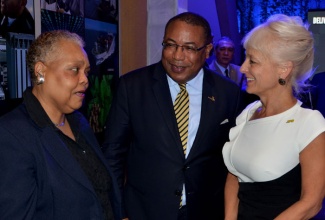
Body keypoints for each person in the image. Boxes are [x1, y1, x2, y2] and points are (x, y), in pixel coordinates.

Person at [102, 12, 242, 220]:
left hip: (205, 211)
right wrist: (119, 211)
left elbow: (233, 160)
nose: (177, 56)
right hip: (144, 212)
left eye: (189, 48)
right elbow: (113, 155)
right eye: (170, 45)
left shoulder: (228, 93)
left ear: (207, 51)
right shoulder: (132, 87)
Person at [0, 30, 122, 220]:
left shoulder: (79, 122)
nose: (85, 80)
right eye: (74, 69)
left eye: (86, 72)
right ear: (41, 71)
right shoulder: (12, 135)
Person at [222, 14, 325, 219]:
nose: (243, 68)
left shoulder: (309, 123)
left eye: (253, 61)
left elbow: (311, 203)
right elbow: (235, 175)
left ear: (283, 69)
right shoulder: (248, 113)